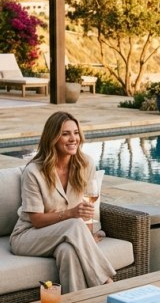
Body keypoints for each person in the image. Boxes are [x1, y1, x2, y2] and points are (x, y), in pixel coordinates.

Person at [11, 111, 114, 293]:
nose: (73, 138)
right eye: (65, 134)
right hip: (29, 236)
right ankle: (107, 282)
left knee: (67, 251)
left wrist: (87, 237)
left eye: (75, 132)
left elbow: (86, 211)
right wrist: (71, 214)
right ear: (53, 138)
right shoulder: (34, 172)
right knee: (74, 225)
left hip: (66, 234)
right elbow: (36, 220)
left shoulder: (86, 164)